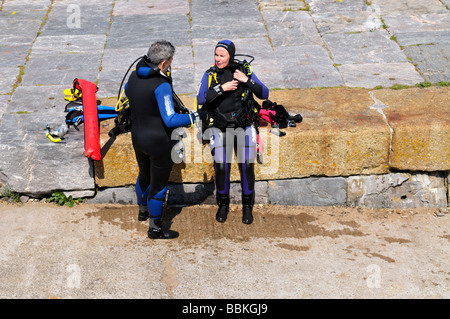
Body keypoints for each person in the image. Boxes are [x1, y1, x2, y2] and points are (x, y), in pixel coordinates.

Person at [125, 40, 206, 239]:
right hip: (159, 143)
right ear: (163, 64)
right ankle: (155, 229)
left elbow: (128, 93)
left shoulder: (134, 77)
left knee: (143, 176)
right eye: (170, 61)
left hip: (138, 138)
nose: (171, 64)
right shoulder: (161, 85)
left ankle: (142, 211)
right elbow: (170, 119)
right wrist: (193, 117)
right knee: (158, 186)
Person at [196, 40, 269, 224]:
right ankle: (223, 205)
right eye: (216, 55)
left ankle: (247, 207)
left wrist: (246, 80)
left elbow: (264, 93)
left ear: (231, 56)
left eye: (222, 56)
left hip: (243, 126)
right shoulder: (211, 74)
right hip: (220, 128)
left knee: (246, 165)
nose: (218, 59)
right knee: (221, 166)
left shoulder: (243, 70)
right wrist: (222, 88)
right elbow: (200, 98)